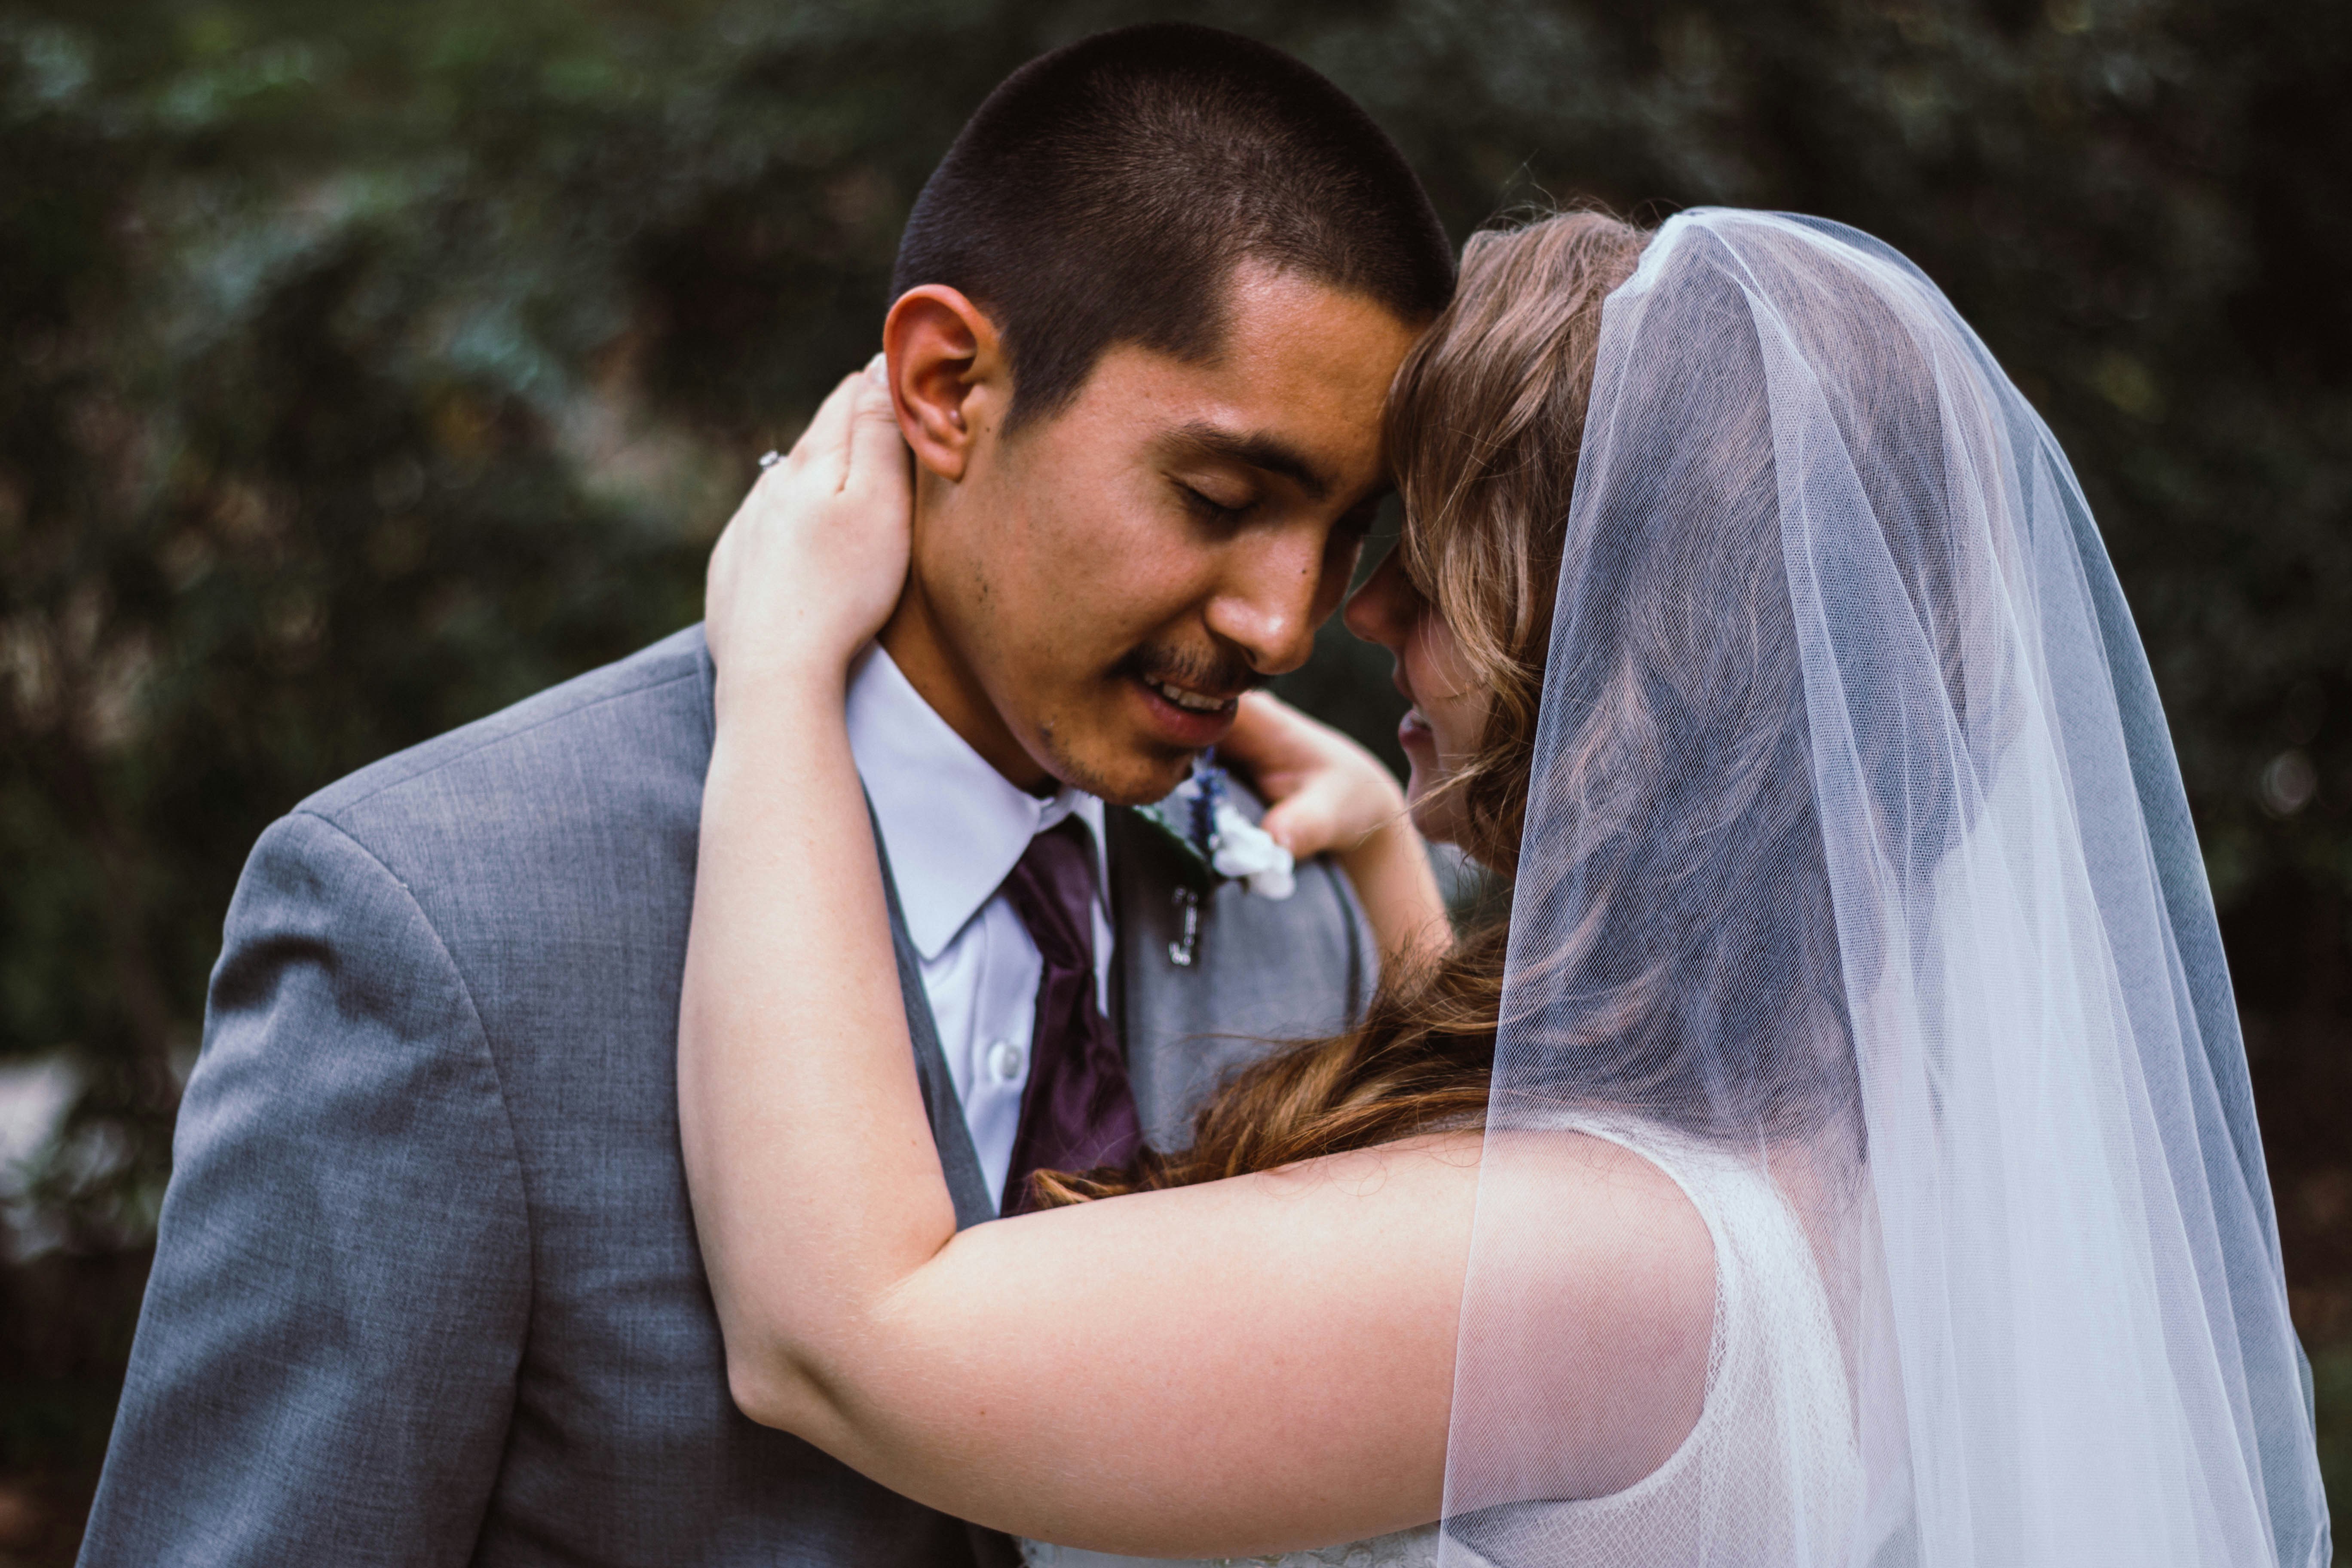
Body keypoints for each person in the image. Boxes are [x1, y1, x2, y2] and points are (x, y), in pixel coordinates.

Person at [680, 207, 2332, 1567]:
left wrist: (774, 666)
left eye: (1443, 548)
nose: (1369, 606)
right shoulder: (1862, 1130)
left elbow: (846, 1338)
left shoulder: (1612, 1263)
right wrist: (1402, 857)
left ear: (1615, 627)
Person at [77, 26, 1456, 1568]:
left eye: (1343, 534)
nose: (1286, 620)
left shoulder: (1285, 899)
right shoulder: (433, 925)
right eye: (1220, 499)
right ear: (949, 387)